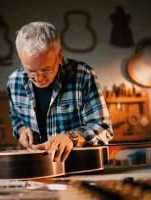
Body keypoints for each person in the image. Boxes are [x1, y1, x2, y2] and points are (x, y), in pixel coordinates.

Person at [7, 21, 113, 162]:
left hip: (79, 167)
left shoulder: (83, 75)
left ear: (59, 56)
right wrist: (22, 131)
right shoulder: (14, 81)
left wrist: (72, 137)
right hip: (37, 168)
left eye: (46, 69)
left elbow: (103, 128)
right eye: (30, 70)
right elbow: (16, 120)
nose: (38, 78)